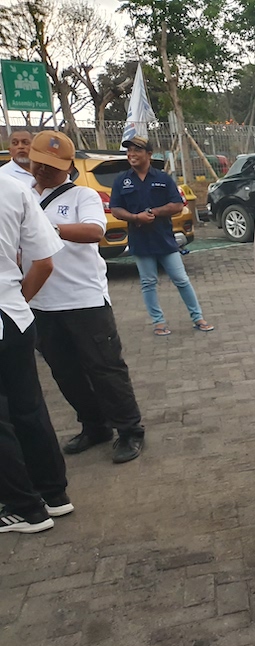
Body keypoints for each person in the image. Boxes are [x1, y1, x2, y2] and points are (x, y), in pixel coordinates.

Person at [27, 131, 145, 464]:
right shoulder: (22, 196)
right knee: (65, 373)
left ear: (69, 166)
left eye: (53, 165)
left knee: (105, 369)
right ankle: (94, 426)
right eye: (39, 162)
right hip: (41, 303)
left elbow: (95, 231)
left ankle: (130, 430)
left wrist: (49, 229)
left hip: (84, 301)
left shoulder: (83, 196)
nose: (44, 169)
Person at [0, 173, 73, 532]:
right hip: (14, 314)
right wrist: (18, 300)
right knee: (29, 407)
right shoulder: (13, 189)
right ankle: (54, 494)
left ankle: (24, 508)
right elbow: (44, 262)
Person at [108, 136, 214, 336]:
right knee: (148, 283)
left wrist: (154, 212)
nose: (131, 154)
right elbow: (115, 209)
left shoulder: (163, 178)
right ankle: (158, 322)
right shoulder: (122, 180)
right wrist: (135, 217)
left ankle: (198, 317)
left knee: (181, 279)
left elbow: (177, 205)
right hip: (140, 241)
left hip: (164, 240)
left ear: (149, 154)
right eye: (129, 150)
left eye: (137, 150)